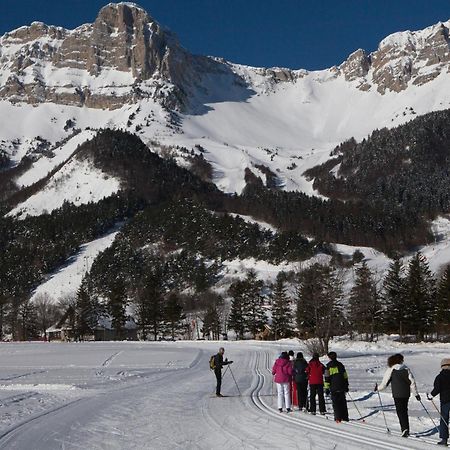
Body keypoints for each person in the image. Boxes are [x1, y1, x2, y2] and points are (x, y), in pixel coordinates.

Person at [375, 353, 420, 437]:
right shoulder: (406, 369)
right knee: (404, 411)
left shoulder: (391, 370)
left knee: (400, 412)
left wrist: (377, 388)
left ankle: (404, 429)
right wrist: (416, 394)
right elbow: (412, 383)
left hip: (397, 394)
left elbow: (385, 383)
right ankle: (406, 429)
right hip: (406, 394)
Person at [429, 358, 450, 446]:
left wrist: (431, 395)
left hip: (445, 400)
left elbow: (437, 388)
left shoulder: (440, 376)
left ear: (442, 366)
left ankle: (444, 440)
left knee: (444, 418)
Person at [324, 351, 349, 422]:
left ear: (329, 358)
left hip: (333, 387)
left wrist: (326, 388)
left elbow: (327, 378)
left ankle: (338, 417)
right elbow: (345, 376)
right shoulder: (340, 365)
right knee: (343, 402)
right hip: (341, 386)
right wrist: (346, 385)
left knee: (335, 403)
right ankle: (345, 417)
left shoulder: (328, 367)